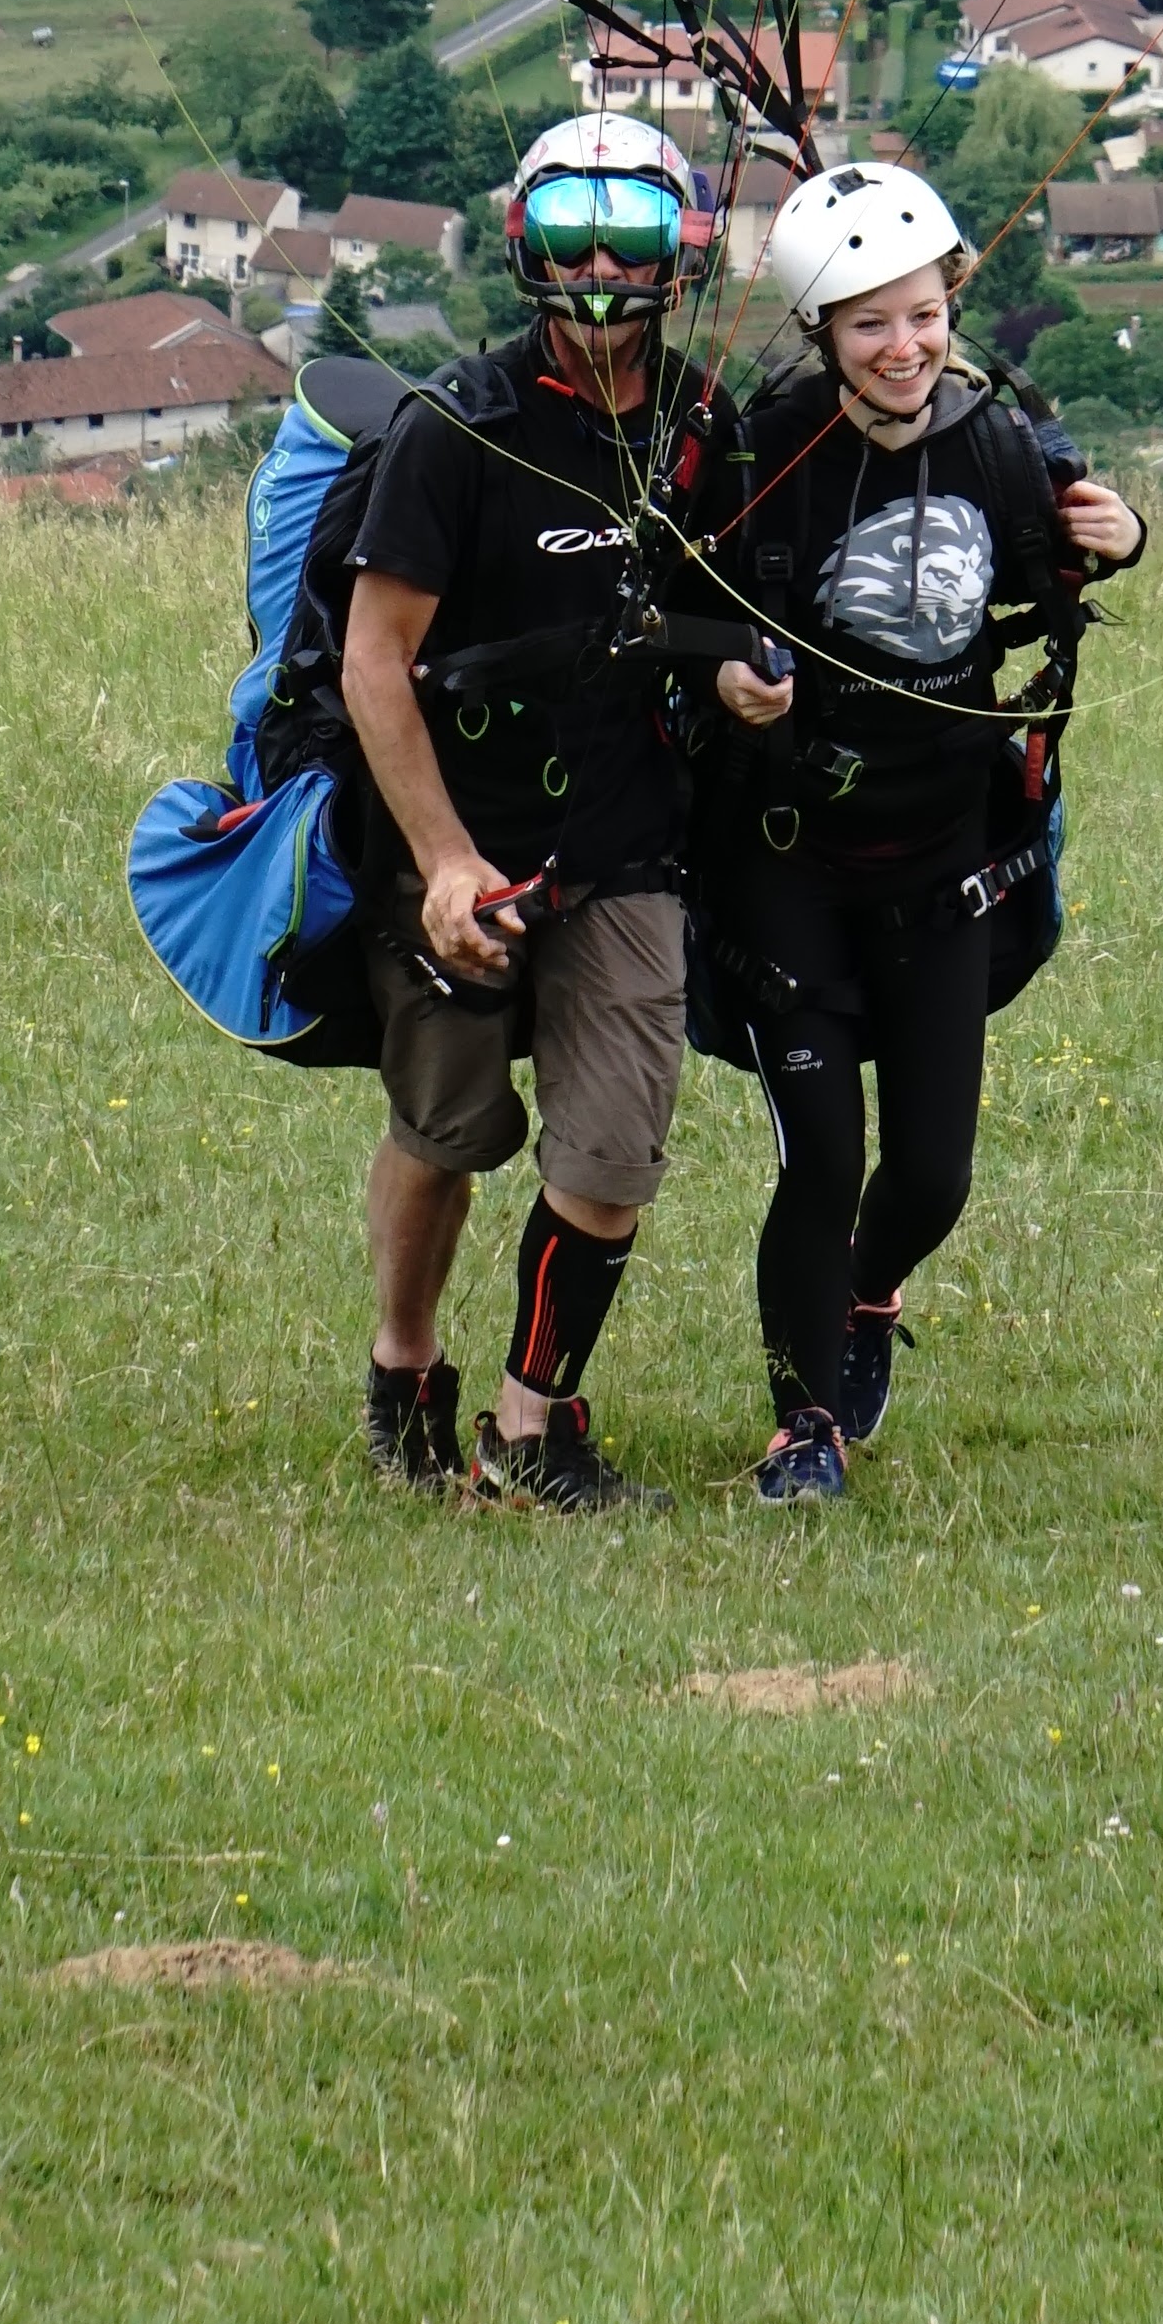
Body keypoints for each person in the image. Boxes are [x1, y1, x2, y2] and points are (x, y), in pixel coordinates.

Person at [321, 109, 767, 1514]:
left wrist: (743, 683)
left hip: (623, 837)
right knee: (447, 1129)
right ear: (525, 242)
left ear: (679, 253)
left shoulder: (705, 428)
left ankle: (528, 1430)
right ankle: (404, 1363)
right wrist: (445, 861)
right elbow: (374, 661)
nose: (598, 265)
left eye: (631, 233)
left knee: (613, 1152)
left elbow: (718, 618)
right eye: (570, 228)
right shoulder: (458, 431)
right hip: (459, 832)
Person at [698, 159, 1144, 1506]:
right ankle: (803, 1426)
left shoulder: (1001, 444)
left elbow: (1061, 560)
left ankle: (868, 1294)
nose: (904, 348)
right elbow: (684, 613)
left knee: (933, 1174)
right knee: (824, 1159)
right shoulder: (763, 457)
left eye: (925, 316)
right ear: (822, 333)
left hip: (944, 858)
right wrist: (724, 678)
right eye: (870, 324)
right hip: (791, 860)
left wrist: (1124, 536)